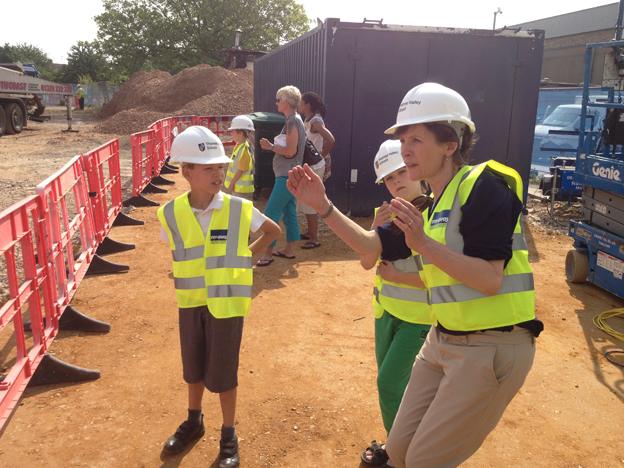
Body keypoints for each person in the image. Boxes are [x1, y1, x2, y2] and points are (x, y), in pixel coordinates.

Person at [287, 82, 542, 468]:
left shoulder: (484, 187)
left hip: (493, 347)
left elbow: (490, 279)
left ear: (451, 144)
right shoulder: (427, 204)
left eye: (417, 139)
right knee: (396, 452)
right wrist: (322, 206)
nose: (405, 150)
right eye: (403, 139)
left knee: (422, 459)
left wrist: (423, 245)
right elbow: (371, 248)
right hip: (443, 340)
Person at [283, 139, 432, 467]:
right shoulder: (392, 213)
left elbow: (437, 277)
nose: (397, 181)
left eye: (402, 171)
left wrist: (392, 274)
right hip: (388, 313)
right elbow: (368, 261)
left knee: (391, 384)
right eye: (389, 178)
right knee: (396, 387)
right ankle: (399, 445)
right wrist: (375, 229)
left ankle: (402, 454)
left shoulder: (430, 215)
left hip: (419, 320)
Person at [157, 125, 281, 467]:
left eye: (220, 166)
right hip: (190, 304)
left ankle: (228, 433)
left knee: (224, 372)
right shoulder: (168, 214)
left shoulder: (238, 209)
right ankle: (194, 421)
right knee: (193, 368)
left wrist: (247, 259)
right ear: (186, 172)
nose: (219, 172)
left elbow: (274, 231)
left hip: (226, 306)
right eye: (208, 167)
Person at [257, 85, 306, 266]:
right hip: (291, 175)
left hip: (286, 175)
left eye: (278, 100)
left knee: (271, 213)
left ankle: (268, 253)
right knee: (289, 212)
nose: (276, 102)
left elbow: (290, 151)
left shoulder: (292, 121)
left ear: (286, 101)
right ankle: (289, 250)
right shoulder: (295, 120)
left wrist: (270, 146)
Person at [297, 92, 335, 249]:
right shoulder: (308, 120)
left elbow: (331, 139)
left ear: (308, 105)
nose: (299, 105)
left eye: (301, 103)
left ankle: (314, 238)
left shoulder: (315, 121)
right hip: (310, 164)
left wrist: (321, 156)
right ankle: (310, 233)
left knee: (310, 202)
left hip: (314, 165)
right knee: (307, 200)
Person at [224, 115, 255, 201]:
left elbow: (241, 170)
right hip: (238, 189)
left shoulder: (244, 149)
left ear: (240, 133)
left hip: (242, 191)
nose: (231, 133)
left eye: (232, 131)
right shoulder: (239, 146)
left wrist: (232, 183)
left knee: (240, 213)